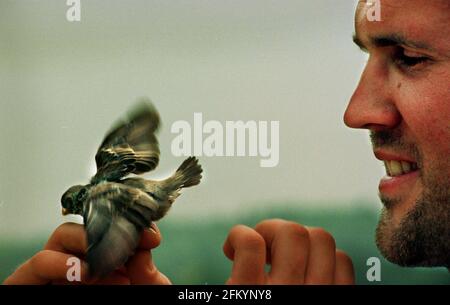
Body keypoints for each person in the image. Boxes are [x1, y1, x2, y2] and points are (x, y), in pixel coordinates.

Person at [4, 0, 449, 284]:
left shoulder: (101, 195)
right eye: (364, 55)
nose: (355, 112)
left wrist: (107, 251)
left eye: (409, 58)